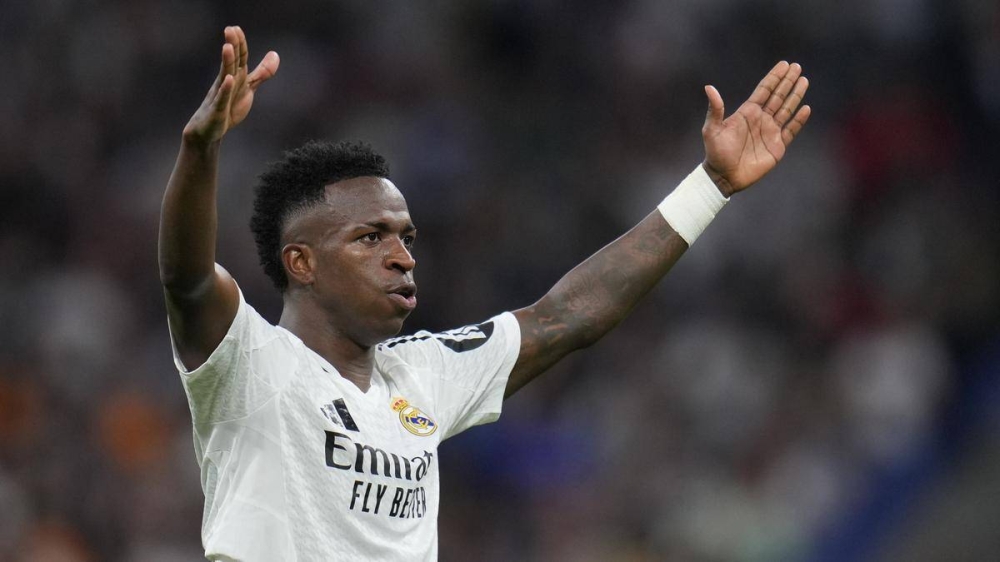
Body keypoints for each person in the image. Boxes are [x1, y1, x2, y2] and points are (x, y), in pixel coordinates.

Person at [158, 25, 810, 562]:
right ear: (301, 262)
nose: (402, 256)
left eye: (406, 237)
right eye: (370, 238)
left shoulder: (422, 375)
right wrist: (200, 149)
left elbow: (566, 316)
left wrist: (709, 187)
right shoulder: (252, 363)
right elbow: (187, 279)